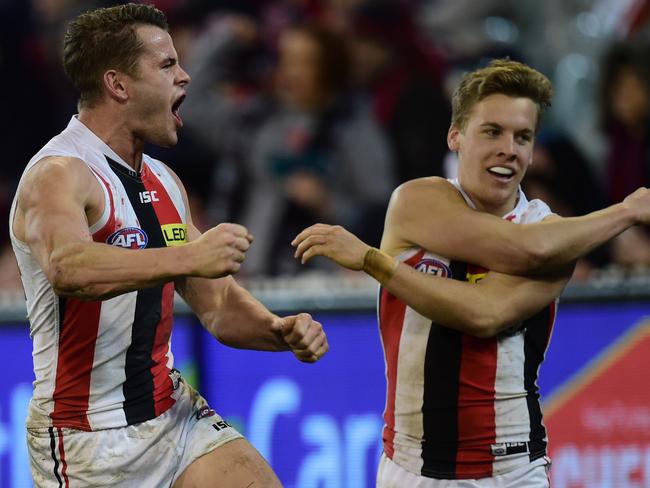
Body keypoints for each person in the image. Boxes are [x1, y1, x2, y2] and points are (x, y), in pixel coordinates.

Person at [9, 4, 328, 487]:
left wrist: (277, 330)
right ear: (119, 85)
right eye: (166, 65)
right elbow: (67, 266)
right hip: (88, 436)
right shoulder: (59, 173)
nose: (185, 76)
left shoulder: (163, 181)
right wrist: (189, 255)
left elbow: (218, 305)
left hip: (171, 411)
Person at [293, 59, 650, 486]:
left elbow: (485, 313)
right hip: (411, 467)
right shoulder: (416, 201)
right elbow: (517, 250)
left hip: (511, 471)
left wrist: (374, 262)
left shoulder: (552, 236)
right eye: (492, 131)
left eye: (523, 137)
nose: (509, 149)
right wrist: (627, 211)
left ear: (534, 152)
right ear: (455, 136)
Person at [182, 16, 395, 275]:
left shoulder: (353, 130)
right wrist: (223, 37)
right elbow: (189, 106)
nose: (290, 71)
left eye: (305, 62)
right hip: (242, 280)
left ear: (329, 68)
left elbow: (381, 212)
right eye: (285, 59)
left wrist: (328, 203)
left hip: (315, 286)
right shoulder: (255, 120)